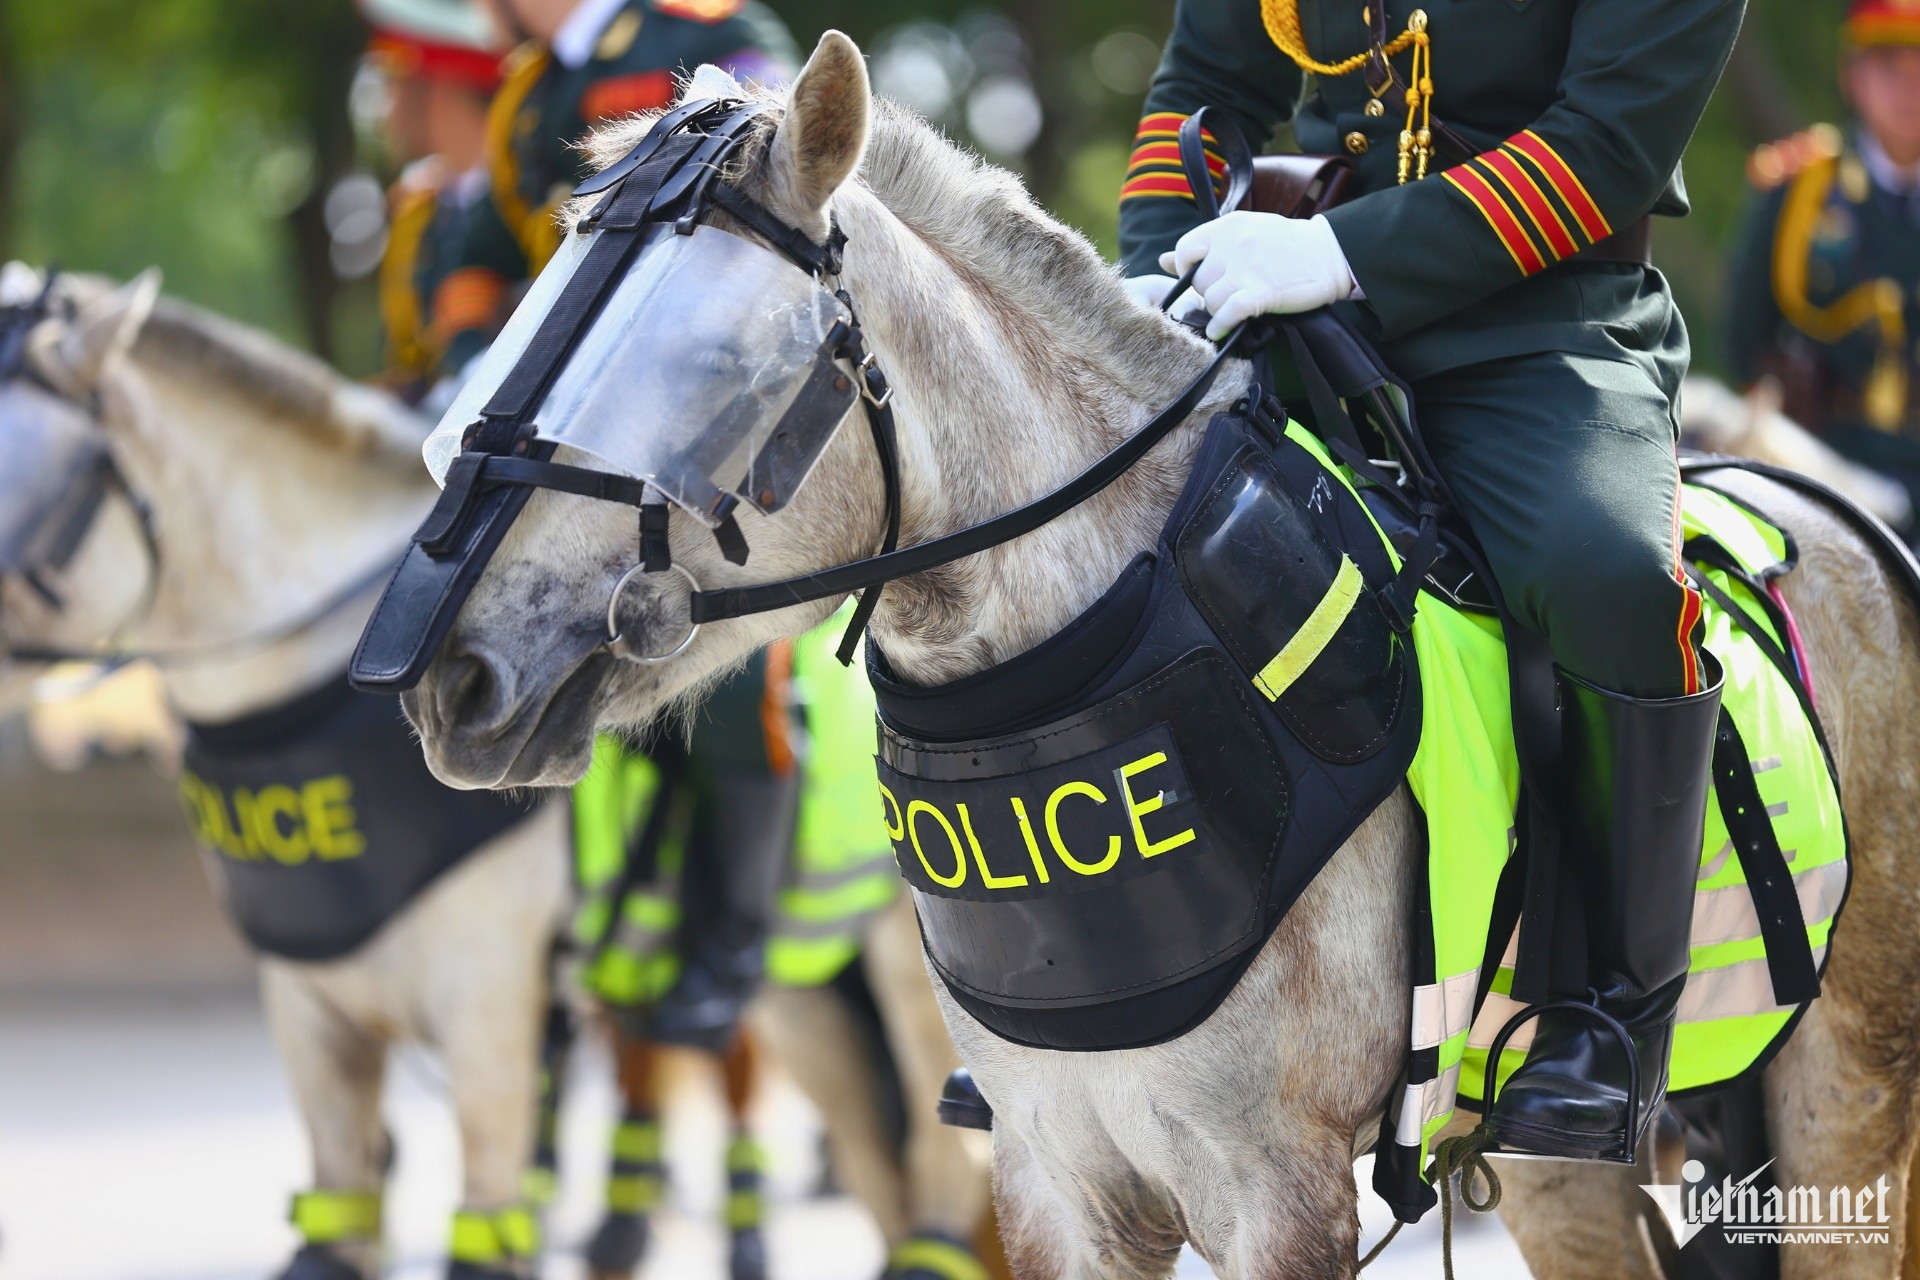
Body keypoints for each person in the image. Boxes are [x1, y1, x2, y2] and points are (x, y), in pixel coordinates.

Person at [1115, 0, 1740, 1160]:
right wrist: (1153, 266)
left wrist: (1349, 255)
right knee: (1108, 527)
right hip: (1279, 296)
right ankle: (1082, 976)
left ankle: (1608, 1012)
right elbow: (1205, 78)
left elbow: (1608, 143)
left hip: (1538, 323)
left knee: (1604, 573)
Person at [438, 0, 796, 373]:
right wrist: (474, 362)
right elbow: (480, 258)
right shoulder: (530, 94)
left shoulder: (706, 33)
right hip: (568, 376)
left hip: (704, 361)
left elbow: (780, 185)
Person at [1726, 0, 1920, 519]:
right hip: (1824, 469)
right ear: (1852, 75)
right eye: (1888, 67)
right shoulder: (1800, 189)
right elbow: (1744, 339)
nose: (1908, 87)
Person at [362, 19, 506, 402]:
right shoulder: (423, 209)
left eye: (391, 86)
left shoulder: (519, 194)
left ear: (440, 87)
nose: (382, 114)